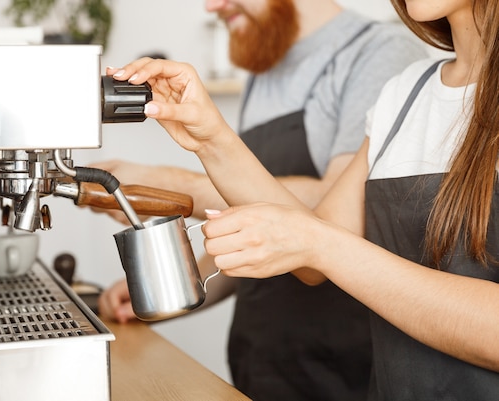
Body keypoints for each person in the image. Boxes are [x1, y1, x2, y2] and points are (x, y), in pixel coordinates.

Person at [105, 0, 499, 399]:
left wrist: (321, 244)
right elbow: (316, 255)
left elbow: (322, 243)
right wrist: (211, 138)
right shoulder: (405, 95)